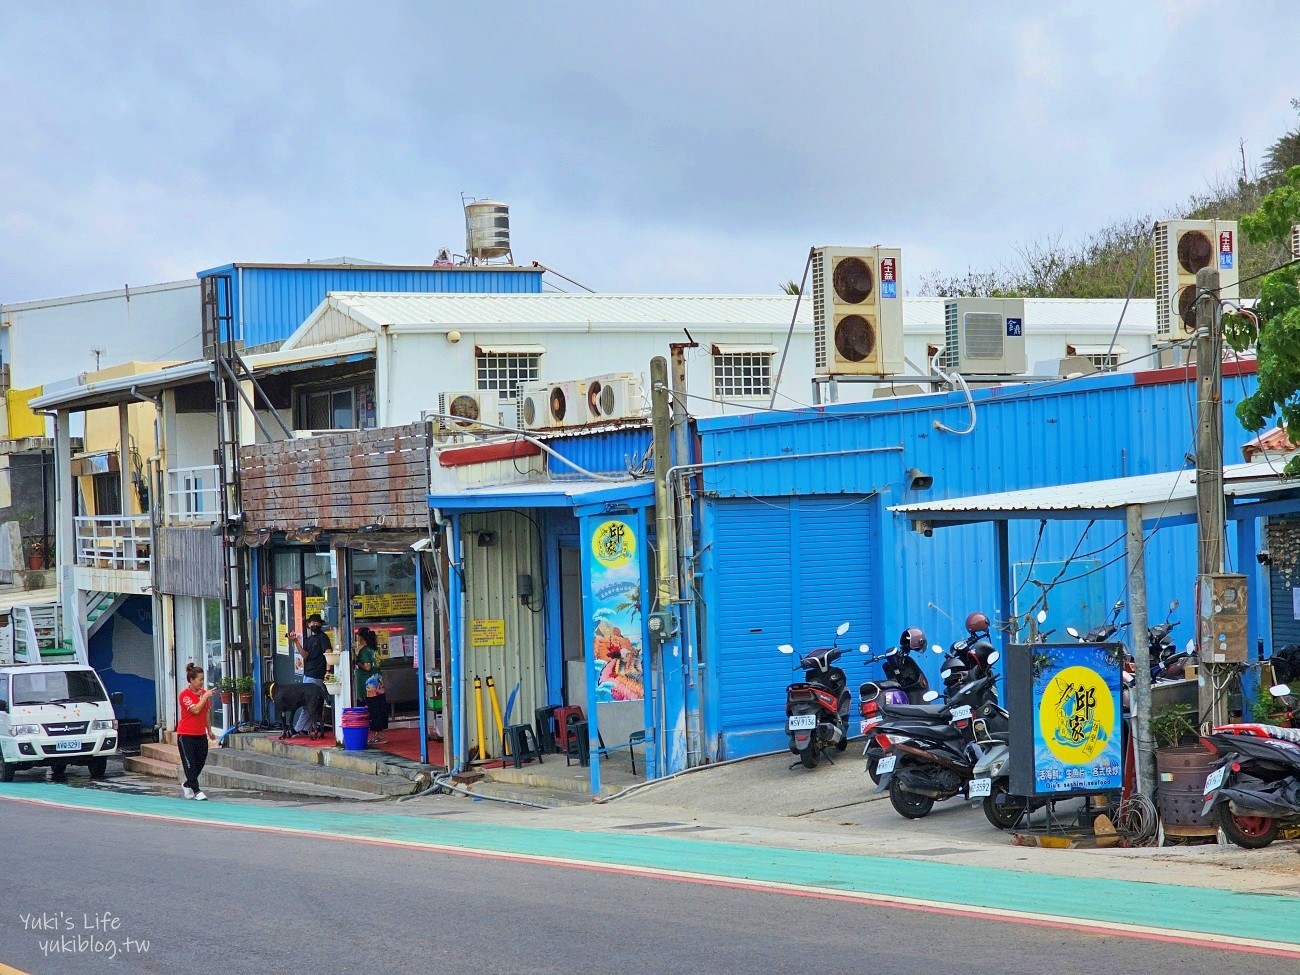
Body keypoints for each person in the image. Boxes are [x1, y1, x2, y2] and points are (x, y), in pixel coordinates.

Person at [177, 662, 218, 800]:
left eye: (203, 679)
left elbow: (205, 713)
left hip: (200, 734)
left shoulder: (202, 693)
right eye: (200, 679)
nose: (202, 682)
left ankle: (188, 784)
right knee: (190, 763)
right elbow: (195, 710)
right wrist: (205, 696)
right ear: (192, 680)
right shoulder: (184, 695)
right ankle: (196, 790)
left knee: (200, 761)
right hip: (186, 734)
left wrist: (210, 730)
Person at [354, 627, 389, 744]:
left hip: (370, 685)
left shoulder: (364, 651)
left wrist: (357, 662)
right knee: (380, 706)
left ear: (361, 637)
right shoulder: (373, 650)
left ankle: (376, 735)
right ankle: (379, 734)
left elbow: (367, 667)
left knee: (373, 709)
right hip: (378, 681)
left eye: (358, 636)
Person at [290, 613, 331, 686]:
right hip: (307, 674)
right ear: (309, 624)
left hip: (317, 675)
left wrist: (328, 672)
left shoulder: (323, 637)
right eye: (313, 623)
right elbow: (305, 655)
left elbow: (329, 653)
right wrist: (296, 641)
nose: (315, 625)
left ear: (321, 625)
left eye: (317, 623)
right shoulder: (309, 639)